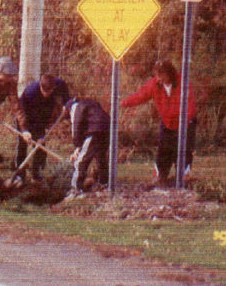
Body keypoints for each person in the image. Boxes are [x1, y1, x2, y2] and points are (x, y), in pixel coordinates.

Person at [121, 59, 197, 187]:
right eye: (157, 74)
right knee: (163, 150)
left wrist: (185, 122)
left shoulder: (183, 82)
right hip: (167, 123)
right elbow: (141, 95)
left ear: (169, 73)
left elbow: (190, 105)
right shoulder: (154, 85)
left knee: (184, 149)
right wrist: (125, 103)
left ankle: (184, 176)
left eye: (161, 74)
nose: (159, 78)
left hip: (185, 123)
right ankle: (159, 176)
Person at [9, 74, 70, 187]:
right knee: (22, 144)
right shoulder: (30, 92)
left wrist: (66, 105)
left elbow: (66, 96)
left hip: (40, 118)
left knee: (41, 146)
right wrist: (25, 131)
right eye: (43, 92)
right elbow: (21, 113)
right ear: (40, 86)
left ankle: (36, 175)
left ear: (53, 88)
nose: (46, 95)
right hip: (25, 117)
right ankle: (19, 176)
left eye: (49, 92)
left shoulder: (59, 84)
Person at [64, 97, 110, 200]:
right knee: (101, 157)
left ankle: (76, 189)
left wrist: (77, 147)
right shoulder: (90, 103)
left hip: (95, 131)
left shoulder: (75, 107)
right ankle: (104, 183)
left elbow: (76, 128)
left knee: (81, 161)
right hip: (107, 129)